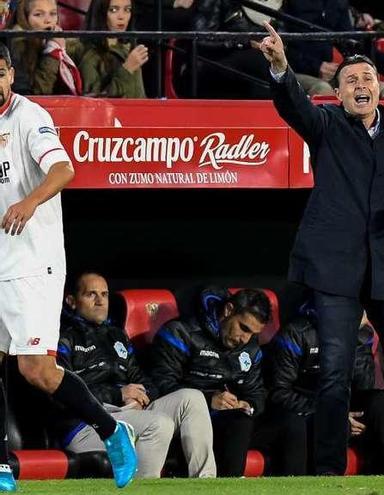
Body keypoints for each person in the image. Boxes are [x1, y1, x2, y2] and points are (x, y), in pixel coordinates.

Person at [258, 22, 384, 475]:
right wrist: (282, 67)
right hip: (335, 270)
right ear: (339, 94)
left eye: (367, 79)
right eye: (351, 82)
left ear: (380, 89)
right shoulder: (325, 125)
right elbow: (292, 104)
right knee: (334, 374)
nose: (360, 86)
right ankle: (328, 468)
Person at [0, 42, 137, 491]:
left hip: (33, 262)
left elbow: (64, 170)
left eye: (0, 72)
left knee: (35, 370)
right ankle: (1, 466)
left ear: (11, 74)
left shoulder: (28, 117)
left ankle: (114, 431)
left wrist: (28, 200)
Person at [57, 272, 216, 478]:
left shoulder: (116, 335)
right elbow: (62, 393)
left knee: (192, 397)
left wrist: (142, 395)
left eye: (104, 295)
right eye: (91, 295)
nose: (100, 301)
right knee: (158, 423)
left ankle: (205, 483)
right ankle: (143, 488)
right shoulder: (62, 337)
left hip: (128, 412)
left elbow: (141, 378)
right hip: (85, 425)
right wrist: (118, 394)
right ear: (71, 301)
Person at [261, 306, 384, 475]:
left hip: (340, 403)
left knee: (377, 400)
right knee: (325, 421)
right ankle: (326, 477)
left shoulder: (359, 334)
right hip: (307, 407)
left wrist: (355, 338)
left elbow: (363, 385)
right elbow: (279, 392)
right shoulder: (297, 333)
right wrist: (332, 413)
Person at [150, 287, 268, 477]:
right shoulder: (180, 332)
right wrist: (208, 400)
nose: (245, 339)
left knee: (272, 422)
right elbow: (160, 385)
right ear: (229, 310)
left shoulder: (250, 346)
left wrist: (248, 404)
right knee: (234, 422)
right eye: (243, 328)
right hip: (180, 419)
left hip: (225, 420)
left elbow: (257, 392)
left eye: (252, 334)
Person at [9, 0, 84, 95]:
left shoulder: (69, 46)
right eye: (38, 14)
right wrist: (52, 54)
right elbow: (36, 96)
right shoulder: (18, 46)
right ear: (24, 18)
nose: (48, 20)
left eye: (53, 13)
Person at [79, 0, 148, 98]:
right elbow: (94, 102)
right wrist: (127, 69)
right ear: (100, 13)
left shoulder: (127, 49)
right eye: (114, 10)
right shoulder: (90, 56)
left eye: (127, 10)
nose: (122, 17)